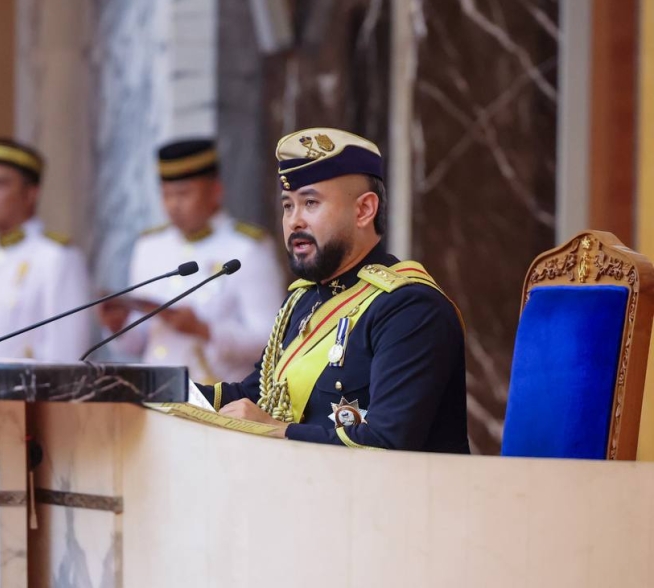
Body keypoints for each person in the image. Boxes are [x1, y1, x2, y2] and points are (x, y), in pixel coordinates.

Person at [196, 128, 469, 453]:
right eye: (288, 206)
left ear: (364, 210)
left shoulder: (410, 308)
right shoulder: (303, 299)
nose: (294, 222)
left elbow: (386, 442)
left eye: (310, 203)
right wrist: (162, 390)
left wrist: (274, 431)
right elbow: (256, 395)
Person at [97, 138, 286, 383]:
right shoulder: (149, 246)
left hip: (219, 396)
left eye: (183, 193)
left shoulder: (247, 248)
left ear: (215, 191)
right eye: (166, 195)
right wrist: (119, 326)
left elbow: (271, 342)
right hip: (157, 391)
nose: (173, 205)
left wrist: (204, 330)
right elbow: (140, 343)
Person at [0, 138, 91, 361]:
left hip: (25, 384)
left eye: (0, 184)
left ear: (31, 194)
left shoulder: (57, 257)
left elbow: (68, 356)